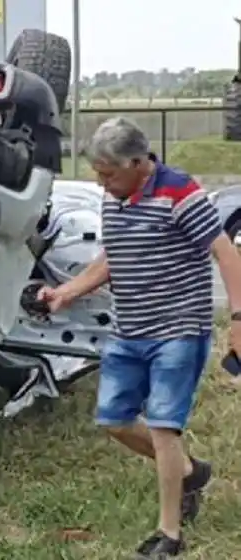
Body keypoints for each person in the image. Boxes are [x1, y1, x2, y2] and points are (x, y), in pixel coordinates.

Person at [36, 117, 241, 558]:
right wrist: (66, 292)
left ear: (138, 163)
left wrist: (239, 320)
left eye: (108, 173)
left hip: (178, 330)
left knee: (165, 428)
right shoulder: (116, 198)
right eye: (98, 172)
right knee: (114, 420)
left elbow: (226, 253)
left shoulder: (181, 193)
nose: (101, 182)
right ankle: (190, 472)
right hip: (129, 328)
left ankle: (170, 534)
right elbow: (114, 254)